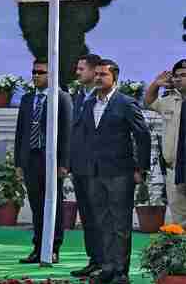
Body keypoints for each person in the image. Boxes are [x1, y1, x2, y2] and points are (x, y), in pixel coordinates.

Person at [72, 58, 150, 284]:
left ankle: (120, 271)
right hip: (94, 173)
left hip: (120, 172)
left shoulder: (125, 103)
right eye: (96, 74)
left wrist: (140, 168)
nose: (97, 78)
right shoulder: (88, 104)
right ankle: (107, 268)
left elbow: (142, 135)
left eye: (102, 75)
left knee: (120, 223)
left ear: (114, 77)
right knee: (102, 221)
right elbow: (84, 138)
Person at [14, 59, 71, 264]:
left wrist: (64, 163)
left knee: (53, 205)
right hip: (31, 158)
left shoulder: (61, 98)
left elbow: (67, 132)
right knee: (36, 205)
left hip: (52, 159)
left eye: (41, 72)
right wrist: (18, 163)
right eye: (34, 72)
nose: (36, 75)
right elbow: (20, 132)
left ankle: (53, 247)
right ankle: (37, 247)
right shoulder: (27, 100)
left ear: (51, 75)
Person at [69, 53, 104, 277]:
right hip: (80, 167)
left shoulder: (102, 98)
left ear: (93, 71)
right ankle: (94, 259)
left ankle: (106, 261)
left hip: (99, 168)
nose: (78, 73)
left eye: (82, 69)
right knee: (88, 216)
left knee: (101, 216)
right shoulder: (79, 96)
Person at [145, 60, 186, 224]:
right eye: (176, 76)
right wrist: (156, 84)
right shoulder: (168, 100)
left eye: (183, 75)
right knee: (179, 220)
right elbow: (148, 102)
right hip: (174, 169)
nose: (178, 79)